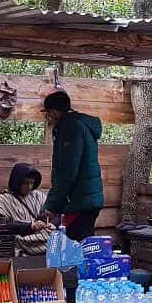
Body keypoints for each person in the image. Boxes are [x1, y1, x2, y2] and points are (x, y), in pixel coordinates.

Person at [42, 90, 104, 241]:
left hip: (79, 201)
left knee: (78, 248)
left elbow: (67, 172)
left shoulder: (69, 128)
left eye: (48, 113)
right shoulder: (81, 125)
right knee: (85, 243)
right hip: (88, 198)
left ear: (54, 112)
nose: (48, 118)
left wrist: (52, 205)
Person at [0, 163, 53, 255]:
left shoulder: (38, 196)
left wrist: (52, 223)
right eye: (25, 183)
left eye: (32, 183)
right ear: (17, 182)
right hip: (18, 239)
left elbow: (53, 215)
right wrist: (29, 226)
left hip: (41, 238)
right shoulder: (2, 200)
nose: (29, 187)